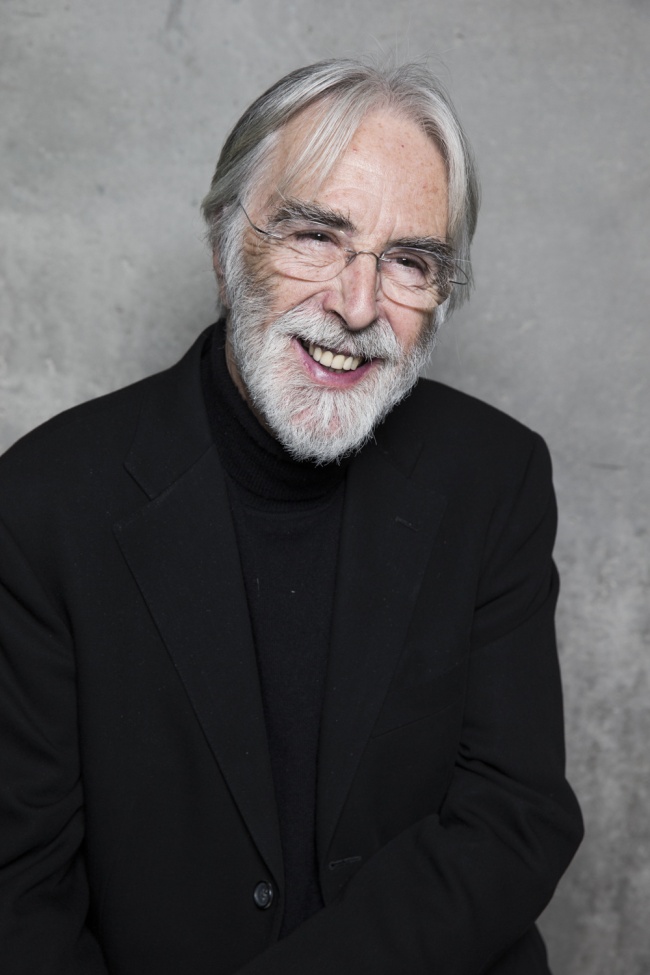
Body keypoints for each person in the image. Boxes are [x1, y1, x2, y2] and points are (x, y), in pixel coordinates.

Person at [0, 59, 583, 974]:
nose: (357, 306)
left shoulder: (495, 478)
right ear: (226, 244)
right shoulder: (42, 502)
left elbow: (515, 815)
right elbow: (19, 893)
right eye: (316, 235)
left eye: (410, 261)